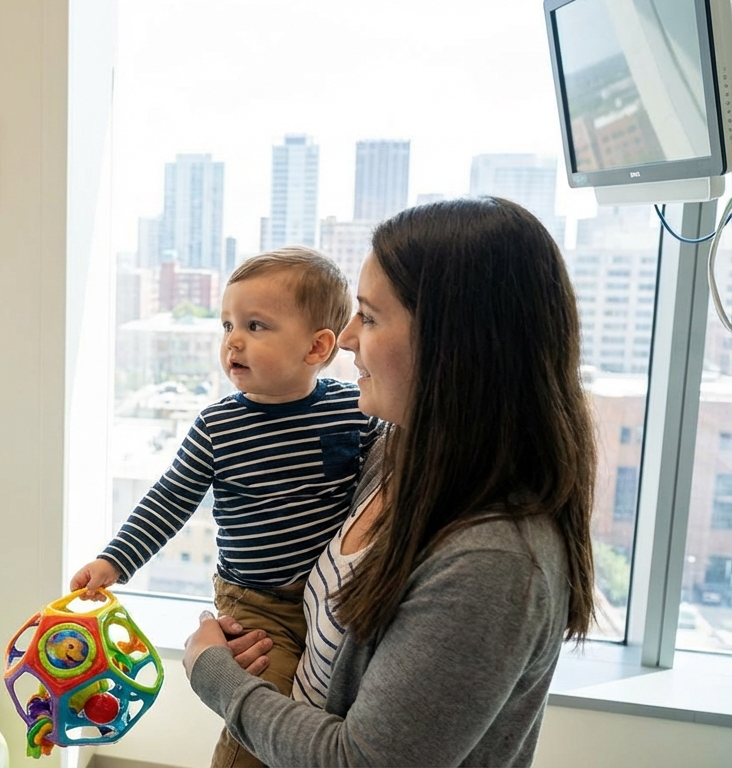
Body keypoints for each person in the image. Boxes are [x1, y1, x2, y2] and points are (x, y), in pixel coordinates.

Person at [183, 196, 596, 767]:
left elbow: (361, 762)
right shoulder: (393, 454)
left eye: (370, 317)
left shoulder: (493, 562)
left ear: (454, 347)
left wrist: (217, 677)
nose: (346, 337)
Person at [70, 247, 378, 766]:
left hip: (332, 601)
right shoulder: (218, 427)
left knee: (328, 715)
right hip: (257, 605)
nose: (233, 340)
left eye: (256, 326)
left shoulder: (352, 409)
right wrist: (114, 561)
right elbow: (169, 499)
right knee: (264, 715)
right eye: (227, 324)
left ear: (317, 347)